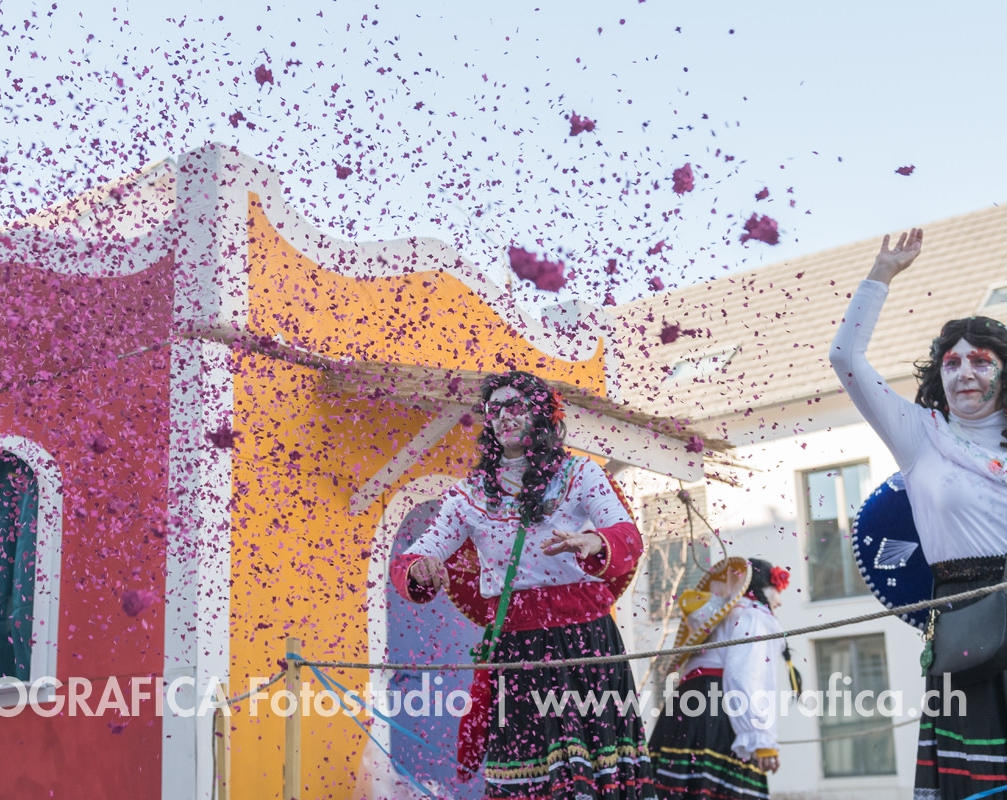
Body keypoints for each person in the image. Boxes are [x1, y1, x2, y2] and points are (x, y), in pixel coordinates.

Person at [390, 370, 656, 799]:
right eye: (493, 409)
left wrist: (594, 541)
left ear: (542, 414)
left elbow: (627, 536)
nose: (502, 417)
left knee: (588, 772)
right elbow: (418, 554)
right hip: (516, 649)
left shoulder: (579, 474)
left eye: (514, 406)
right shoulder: (469, 495)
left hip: (583, 642)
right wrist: (419, 568)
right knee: (523, 772)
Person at [830, 228, 1007, 799]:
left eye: (980, 361)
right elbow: (845, 359)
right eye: (952, 363)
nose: (965, 373)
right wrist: (881, 275)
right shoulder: (920, 434)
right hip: (967, 625)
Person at [648, 557, 797, 800]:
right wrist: (760, 738)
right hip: (716, 711)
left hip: (684, 708)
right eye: (777, 592)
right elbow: (745, 676)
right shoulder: (753, 616)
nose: (779, 601)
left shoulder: (719, 615)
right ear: (763, 588)